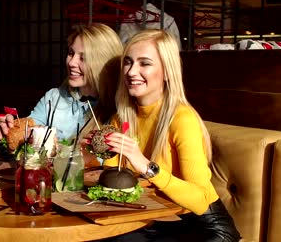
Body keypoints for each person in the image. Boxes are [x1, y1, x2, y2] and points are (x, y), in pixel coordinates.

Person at [84, 29, 241, 241]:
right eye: (128, 62)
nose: (131, 71)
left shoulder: (181, 119)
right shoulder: (121, 119)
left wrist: (147, 167)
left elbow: (201, 200)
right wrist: (97, 154)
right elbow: (115, 178)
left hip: (202, 227)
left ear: (167, 71)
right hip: (154, 219)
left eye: (144, 63)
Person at [0, 23, 123, 165]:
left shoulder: (119, 109)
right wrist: (8, 132)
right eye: (71, 53)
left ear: (103, 64)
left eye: (83, 58)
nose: (71, 62)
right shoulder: (53, 98)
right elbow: (26, 136)